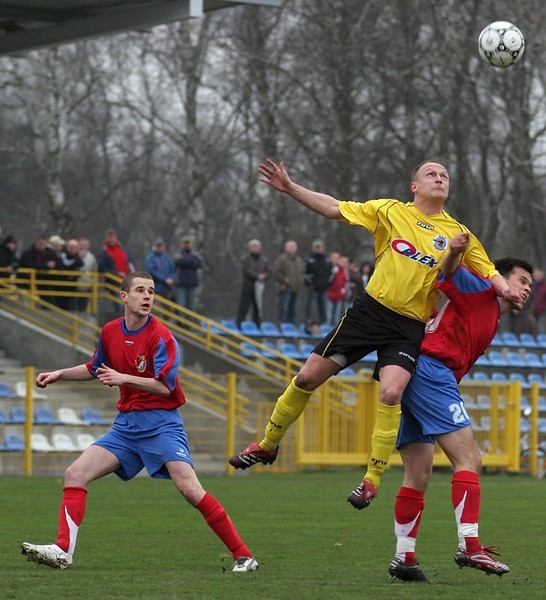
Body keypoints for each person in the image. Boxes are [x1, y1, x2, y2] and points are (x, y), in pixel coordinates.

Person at [229, 159, 522, 509]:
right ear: (414, 185)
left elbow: (489, 270)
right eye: (432, 174)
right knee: (307, 378)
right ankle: (268, 443)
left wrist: (507, 289)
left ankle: (371, 479)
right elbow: (336, 208)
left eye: (445, 175)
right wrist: (291, 188)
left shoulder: (458, 233)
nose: (440, 178)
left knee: (392, 392)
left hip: (408, 326)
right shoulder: (389, 211)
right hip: (369, 313)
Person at [21, 271, 259, 574]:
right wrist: (59, 374)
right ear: (124, 296)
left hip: (161, 424)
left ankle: (243, 555)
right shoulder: (109, 331)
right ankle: (63, 550)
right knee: (75, 473)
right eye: (141, 291)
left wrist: (123, 378)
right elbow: (96, 367)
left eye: (151, 291)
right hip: (126, 427)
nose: (148, 296)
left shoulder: (162, 337)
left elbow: (165, 386)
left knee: (189, 489)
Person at [388, 235, 532, 582]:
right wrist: (453, 252)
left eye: (531, 285)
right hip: (432, 373)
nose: (527, 289)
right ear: (501, 277)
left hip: (424, 375)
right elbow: (449, 273)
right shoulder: (482, 287)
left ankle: (404, 557)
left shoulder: (494, 313)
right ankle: (470, 546)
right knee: (470, 460)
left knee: (418, 475)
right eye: (522, 281)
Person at [235, 239, 270, 329]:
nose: (255, 249)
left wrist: (264, 276)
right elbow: (245, 271)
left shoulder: (264, 260)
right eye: (253, 247)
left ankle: (257, 327)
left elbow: (268, 271)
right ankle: (239, 326)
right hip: (247, 287)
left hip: (259, 289)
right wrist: (257, 276)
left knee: (258, 310)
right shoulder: (245, 259)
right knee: (243, 309)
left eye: (257, 247)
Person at [272, 240, 304, 324]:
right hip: (285, 289)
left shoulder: (298, 260)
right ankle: (283, 328)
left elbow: (302, 272)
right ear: (286, 248)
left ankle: (292, 329)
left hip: (296, 289)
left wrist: (301, 281)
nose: (292, 248)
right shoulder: (281, 258)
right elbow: (276, 272)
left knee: (294, 311)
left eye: (293, 247)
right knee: (284, 311)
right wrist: (284, 279)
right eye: (290, 247)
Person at [303, 239, 332, 330]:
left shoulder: (327, 260)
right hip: (313, 287)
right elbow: (305, 273)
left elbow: (331, 274)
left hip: (324, 288)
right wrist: (309, 283)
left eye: (319, 247)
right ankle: (309, 324)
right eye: (316, 247)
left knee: (323, 308)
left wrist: (328, 283)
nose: (318, 249)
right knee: (311, 307)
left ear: (323, 248)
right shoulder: (310, 260)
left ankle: (323, 324)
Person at [173, 236, 203, 311]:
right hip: (180, 284)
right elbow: (178, 262)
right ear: (181, 244)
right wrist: (190, 262)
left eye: (188, 243)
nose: (186, 245)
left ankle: (188, 322)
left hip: (192, 284)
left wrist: (185, 261)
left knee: (191, 306)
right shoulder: (177, 255)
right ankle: (180, 323)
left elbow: (199, 264)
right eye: (185, 243)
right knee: (181, 306)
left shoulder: (195, 255)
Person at [77, 238, 98, 315]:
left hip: (87, 285)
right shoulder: (74, 254)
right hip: (75, 285)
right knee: (75, 306)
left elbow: (94, 270)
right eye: (81, 245)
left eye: (85, 245)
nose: (83, 247)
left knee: (84, 305)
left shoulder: (91, 257)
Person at [327, 253, 349, 325]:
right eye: (334, 258)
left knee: (337, 315)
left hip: (339, 295)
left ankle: (334, 328)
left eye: (337, 258)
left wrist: (343, 292)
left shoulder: (342, 270)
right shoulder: (328, 267)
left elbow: (344, 282)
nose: (335, 260)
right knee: (329, 313)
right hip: (329, 294)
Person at [532, 269, 546, 334]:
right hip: (529, 311)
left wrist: (543, 307)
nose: (538, 277)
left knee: (540, 328)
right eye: (537, 275)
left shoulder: (544, 287)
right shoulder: (530, 285)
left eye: (540, 276)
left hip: (541, 311)